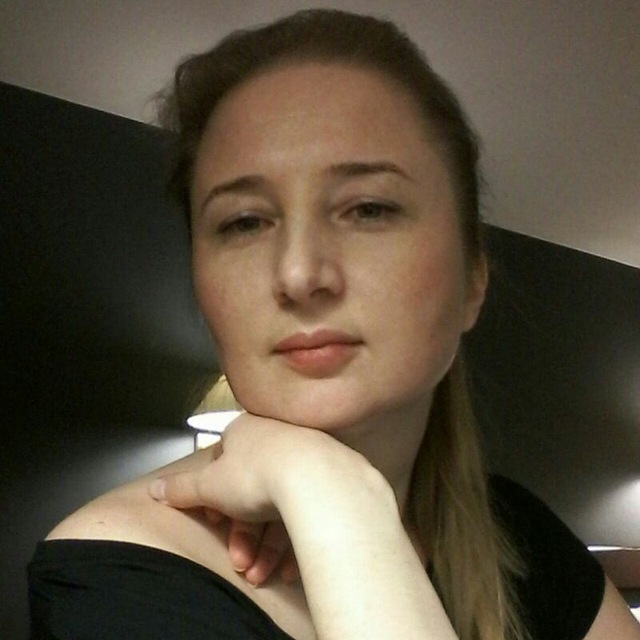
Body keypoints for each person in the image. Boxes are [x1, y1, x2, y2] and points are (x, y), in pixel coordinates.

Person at [27, 9, 640, 640]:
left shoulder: (519, 537)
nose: (299, 274)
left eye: (368, 209)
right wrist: (327, 489)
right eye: (244, 222)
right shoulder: (118, 583)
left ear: (473, 281)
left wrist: (331, 497)